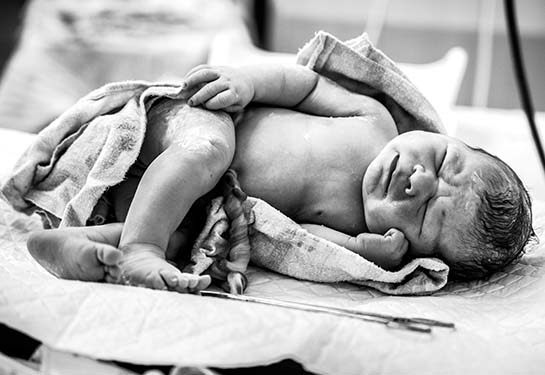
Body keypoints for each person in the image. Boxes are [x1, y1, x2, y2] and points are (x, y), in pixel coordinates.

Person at [26, 63, 534, 293]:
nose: (419, 183)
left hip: (191, 197)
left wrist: (364, 251)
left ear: (413, 248)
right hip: (199, 124)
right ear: (442, 136)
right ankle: (141, 247)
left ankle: (90, 247)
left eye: (425, 213)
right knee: (207, 152)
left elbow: (296, 241)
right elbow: (306, 84)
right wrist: (247, 82)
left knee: (194, 239)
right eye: (445, 162)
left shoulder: (351, 220)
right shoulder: (372, 120)